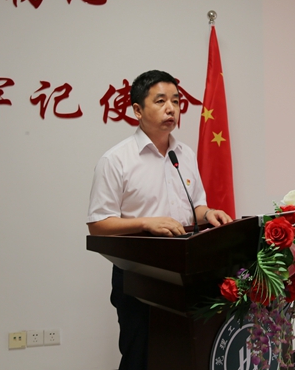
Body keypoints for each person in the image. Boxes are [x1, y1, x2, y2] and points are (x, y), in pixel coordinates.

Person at [86, 69, 233, 370]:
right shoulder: (116, 160)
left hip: (186, 274)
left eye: (176, 101)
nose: (171, 108)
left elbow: (196, 206)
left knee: (187, 355)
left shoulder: (184, 154)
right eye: (161, 101)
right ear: (137, 110)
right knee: (141, 358)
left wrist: (209, 213)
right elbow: (98, 225)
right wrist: (145, 223)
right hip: (138, 276)